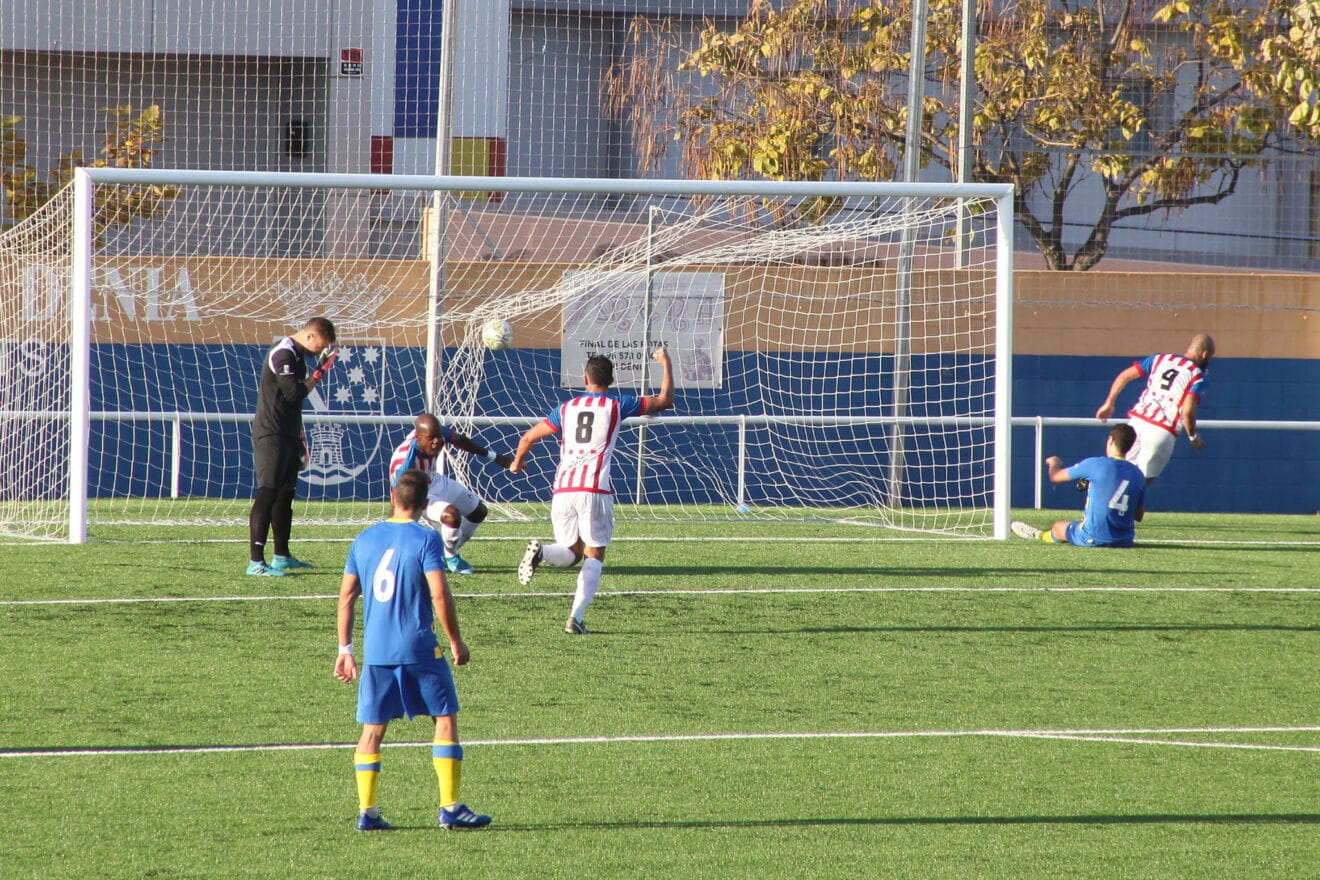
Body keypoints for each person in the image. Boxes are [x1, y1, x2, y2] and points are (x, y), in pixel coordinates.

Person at [334, 468, 492, 832]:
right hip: (419, 646)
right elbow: (438, 593)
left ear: (393, 498)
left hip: (376, 651)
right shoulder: (426, 539)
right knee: (445, 718)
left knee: (372, 729)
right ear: (424, 505)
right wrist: (455, 640)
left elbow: (346, 596)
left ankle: (367, 812)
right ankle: (450, 807)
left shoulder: (364, 539)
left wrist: (345, 648)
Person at [510, 348, 674, 634]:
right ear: (611, 380)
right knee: (594, 553)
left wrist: (517, 463)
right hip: (594, 488)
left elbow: (528, 437)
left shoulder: (565, 408)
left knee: (570, 553)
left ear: (585, 379)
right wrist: (665, 363)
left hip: (562, 488)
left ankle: (542, 553)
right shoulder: (616, 404)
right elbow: (664, 401)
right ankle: (576, 618)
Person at [247, 316, 337, 576]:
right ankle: (255, 562)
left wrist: (299, 436)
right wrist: (319, 373)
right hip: (270, 434)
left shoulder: (297, 356)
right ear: (309, 336)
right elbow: (294, 393)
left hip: (288, 433)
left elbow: (295, 401)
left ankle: (281, 556)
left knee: (285, 495)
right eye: (320, 346)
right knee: (268, 493)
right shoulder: (283, 353)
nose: (319, 351)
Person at [387, 413, 513, 575]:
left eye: (439, 437)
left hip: (434, 480)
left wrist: (494, 457)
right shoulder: (403, 464)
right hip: (418, 491)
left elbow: (461, 441)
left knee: (478, 512)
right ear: (418, 438)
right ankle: (452, 557)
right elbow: (397, 502)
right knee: (451, 515)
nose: (437, 442)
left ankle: (442, 553)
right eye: (431, 438)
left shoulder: (437, 433)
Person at [1094, 333, 1214, 486]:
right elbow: (1188, 410)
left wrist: (1109, 403)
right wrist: (1193, 436)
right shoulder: (1198, 376)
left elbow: (1124, 376)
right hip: (1162, 430)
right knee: (1139, 487)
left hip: (1136, 424)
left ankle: (1103, 508)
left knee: (1118, 475)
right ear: (1204, 354)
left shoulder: (1160, 358)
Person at [1011, 424, 1146, 548]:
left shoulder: (1095, 464)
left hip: (1092, 537)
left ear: (1110, 440)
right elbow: (1138, 516)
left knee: (1058, 527)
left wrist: (1054, 463)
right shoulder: (1138, 474)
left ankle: (1037, 535)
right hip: (1125, 541)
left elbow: (1055, 476)